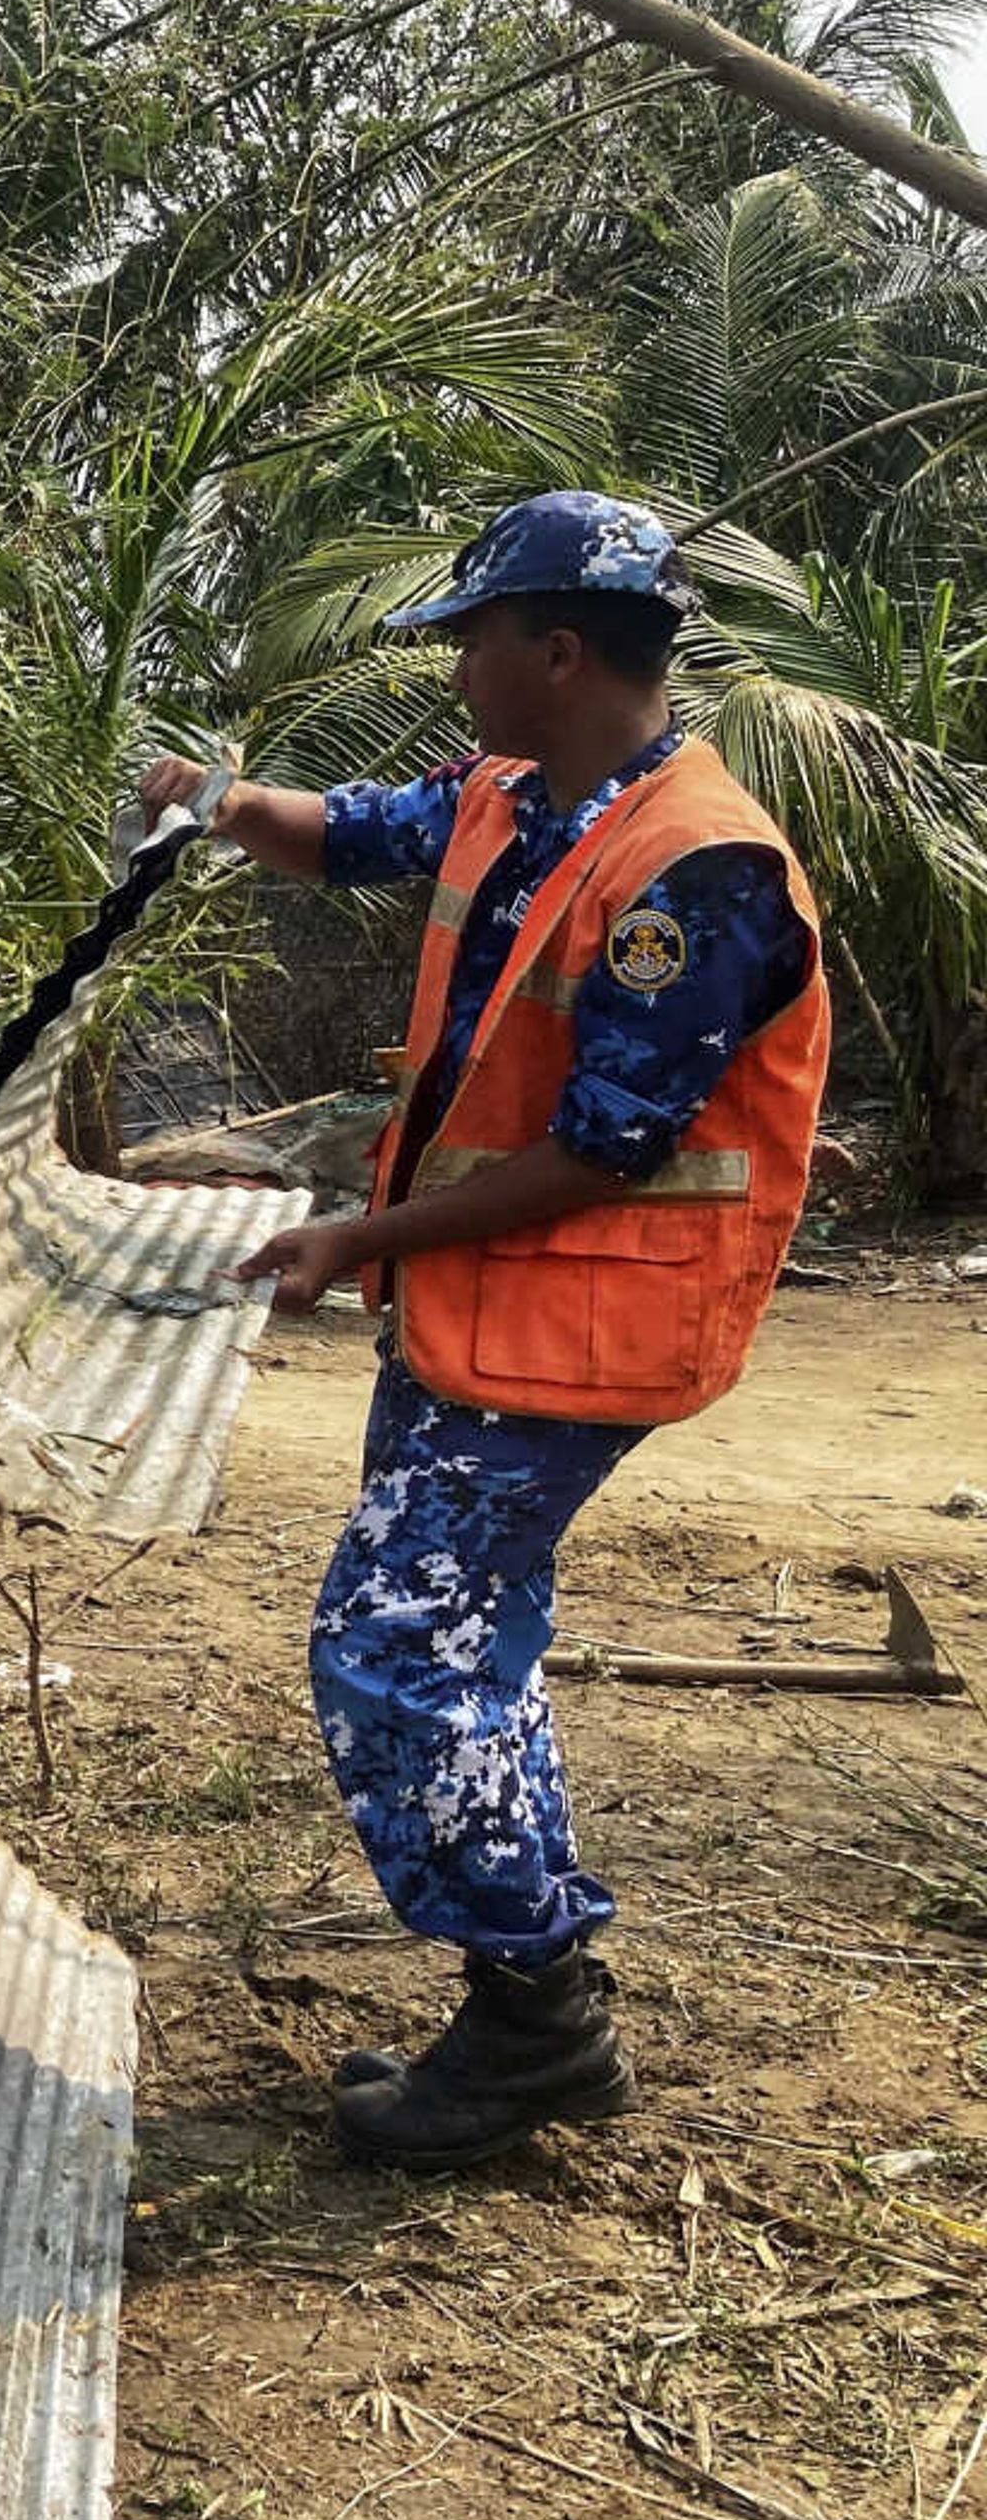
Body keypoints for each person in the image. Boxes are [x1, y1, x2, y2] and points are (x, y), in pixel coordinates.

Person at [135, 489, 826, 2171]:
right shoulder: (512, 797)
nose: (454, 672)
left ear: (559, 650)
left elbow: (605, 1144)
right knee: (469, 1643)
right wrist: (211, 801)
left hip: (582, 1331)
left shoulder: (699, 868)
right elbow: (342, 831)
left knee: (389, 1653)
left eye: (472, 641)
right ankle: (530, 2006)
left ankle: (536, 2016)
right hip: (476, 1316)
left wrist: (352, 1235)